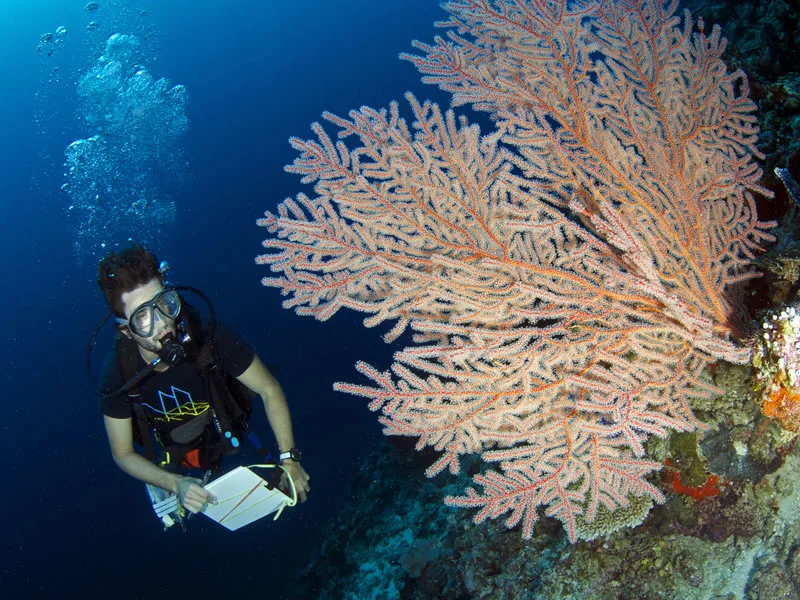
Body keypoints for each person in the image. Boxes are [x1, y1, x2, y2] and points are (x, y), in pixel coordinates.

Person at [97, 243, 310, 518]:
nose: (162, 323)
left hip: (226, 427)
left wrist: (289, 458)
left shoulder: (209, 338)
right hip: (175, 452)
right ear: (126, 331)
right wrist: (173, 483)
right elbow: (123, 453)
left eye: (164, 304)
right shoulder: (117, 377)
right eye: (142, 318)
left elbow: (268, 388)